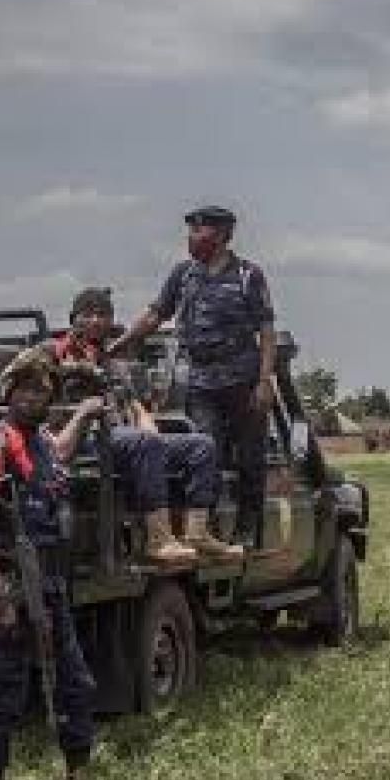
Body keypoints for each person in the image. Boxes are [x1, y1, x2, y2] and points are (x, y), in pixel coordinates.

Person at [0, 348, 99, 780]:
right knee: (2, 686)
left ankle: (77, 773)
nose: (36, 398)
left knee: (73, 681)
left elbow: (60, 452)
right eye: (27, 389)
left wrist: (84, 415)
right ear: (9, 393)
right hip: (12, 588)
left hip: (51, 583)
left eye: (43, 391)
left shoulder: (40, 443)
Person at [106, 204, 278, 548]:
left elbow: (267, 331)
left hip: (242, 380)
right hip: (200, 381)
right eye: (191, 231)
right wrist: (123, 342)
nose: (192, 238)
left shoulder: (248, 275)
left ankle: (247, 529)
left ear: (223, 235)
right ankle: (205, 527)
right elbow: (156, 314)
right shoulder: (183, 274)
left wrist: (264, 380)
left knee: (249, 458)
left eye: (201, 231)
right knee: (206, 449)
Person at [45, 286, 240, 566]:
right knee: (143, 442)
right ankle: (158, 539)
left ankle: (197, 532)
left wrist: (148, 426)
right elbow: (28, 394)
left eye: (103, 315)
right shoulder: (54, 353)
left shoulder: (112, 362)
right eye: (88, 315)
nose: (96, 321)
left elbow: (135, 405)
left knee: (201, 445)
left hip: (120, 437)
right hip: (82, 438)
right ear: (73, 318)